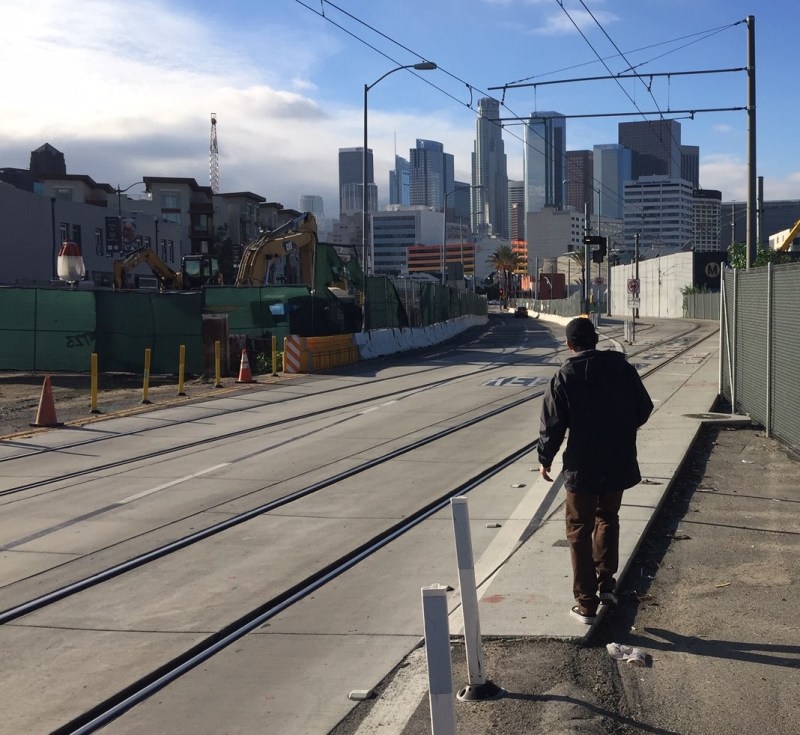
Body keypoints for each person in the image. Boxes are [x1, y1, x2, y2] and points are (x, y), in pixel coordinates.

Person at [538, 317, 653, 624]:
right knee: (608, 518)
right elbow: (644, 409)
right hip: (617, 461)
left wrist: (545, 458)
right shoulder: (623, 369)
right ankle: (607, 585)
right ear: (596, 339)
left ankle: (586, 603)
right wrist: (619, 430)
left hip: (582, 466)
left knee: (578, 529)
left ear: (569, 344)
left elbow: (553, 425)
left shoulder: (564, 376)